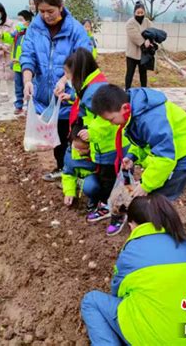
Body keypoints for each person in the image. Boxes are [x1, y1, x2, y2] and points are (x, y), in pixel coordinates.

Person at [81, 195, 186, 345]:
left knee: (91, 300)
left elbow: (118, 292)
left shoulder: (132, 251)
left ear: (134, 224)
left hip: (152, 339)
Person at [20, 0, 93, 182]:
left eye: (50, 11)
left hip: (68, 95)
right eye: (41, 11)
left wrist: (65, 79)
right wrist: (27, 80)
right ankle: (62, 168)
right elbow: (27, 56)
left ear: (60, 6)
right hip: (45, 94)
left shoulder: (75, 30)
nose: (46, 16)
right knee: (55, 138)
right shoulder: (35, 28)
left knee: (73, 136)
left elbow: (83, 59)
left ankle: (80, 172)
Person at [92, 84, 186, 201]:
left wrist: (146, 185)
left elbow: (165, 157)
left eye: (111, 119)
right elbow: (144, 140)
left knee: (160, 198)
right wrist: (133, 155)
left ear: (124, 108)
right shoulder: (136, 108)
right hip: (172, 152)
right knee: (154, 190)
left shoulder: (150, 119)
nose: (112, 124)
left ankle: (159, 217)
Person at [60, 48, 130, 236]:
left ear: (78, 71)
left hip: (107, 145)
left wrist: (92, 133)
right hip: (103, 144)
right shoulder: (92, 85)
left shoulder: (93, 90)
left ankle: (113, 208)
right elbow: (89, 104)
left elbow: (105, 118)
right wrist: (73, 98)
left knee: (111, 178)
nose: (66, 77)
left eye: (67, 73)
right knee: (108, 177)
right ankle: (108, 202)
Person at [1, 10, 33, 115]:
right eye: (17, 20)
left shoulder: (30, 34)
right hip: (16, 66)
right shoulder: (17, 33)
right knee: (18, 88)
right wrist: (2, 36)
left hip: (25, 66)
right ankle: (19, 106)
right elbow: (9, 38)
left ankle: (29, 107)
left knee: (28, 87)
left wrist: (21, 59)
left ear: (27, 22)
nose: (18, 22)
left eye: (21, 20)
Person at [62, 123, 98, 209]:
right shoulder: (71, 153)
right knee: (89, 185)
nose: (79, 152)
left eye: (83, 149)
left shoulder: (98, 153)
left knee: (91, 186)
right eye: (76, 148)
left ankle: (97, 199)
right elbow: (68, 173)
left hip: (96, 178)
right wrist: (69, 192)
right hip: (83, 178)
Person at [124, 1, 153, 91]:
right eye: (138, 13)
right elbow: (135, 36)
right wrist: (144, 41)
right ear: (134, 13)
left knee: (143, 73)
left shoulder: (147, 22)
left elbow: (152, 31)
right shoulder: (130, 23)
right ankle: (127, 90)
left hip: (143, 54)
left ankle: (144, 90)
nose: (140, 14)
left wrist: (150, 39)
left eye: (142, 13)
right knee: (130, 73)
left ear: (144, 13)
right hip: (132, 54)